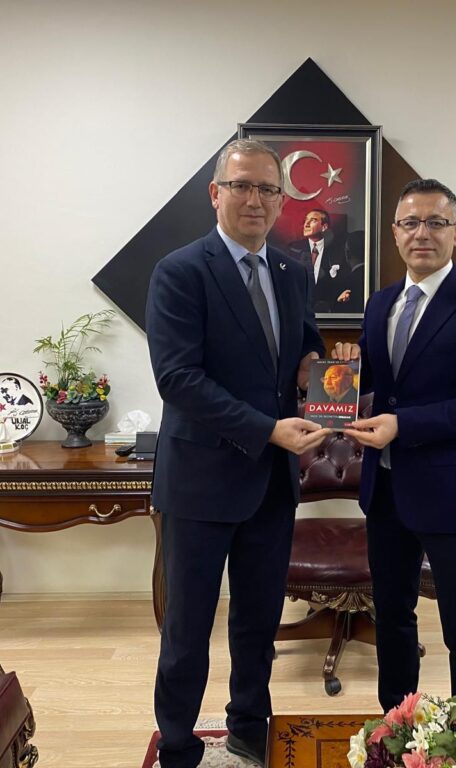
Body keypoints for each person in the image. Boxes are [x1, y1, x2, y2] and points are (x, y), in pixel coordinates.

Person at [146, 139, 329, 768]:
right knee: (187, 628)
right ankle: (177, 744)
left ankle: (249, 724)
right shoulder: (180, 271)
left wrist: (316, 367)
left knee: (257, 621)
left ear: (280, 200)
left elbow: (303, 346)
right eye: (242, 185)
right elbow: (178, 379)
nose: (255, 199)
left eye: (268, 189)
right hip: (200, 481)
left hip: (271, 483)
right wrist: (267, 429)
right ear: (215, 193)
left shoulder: (292, 271)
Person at [335, 178, 456, 714]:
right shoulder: (381, 303)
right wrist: (342, 374)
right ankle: (395, 727)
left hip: (452, 492)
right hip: (386, 490)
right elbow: (379, 381)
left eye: (436, 222)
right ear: (395, 233)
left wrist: (403, 424)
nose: (423, 233)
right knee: (392, 618)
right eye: (411, 222)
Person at [287, 208, 352, 313]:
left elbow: (343, 281)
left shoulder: (338, 251)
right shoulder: (293, 249)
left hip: (329, 312)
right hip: (298, 311)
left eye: (313, 220)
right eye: (306, 220)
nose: (306, 224)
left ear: (324, 227)